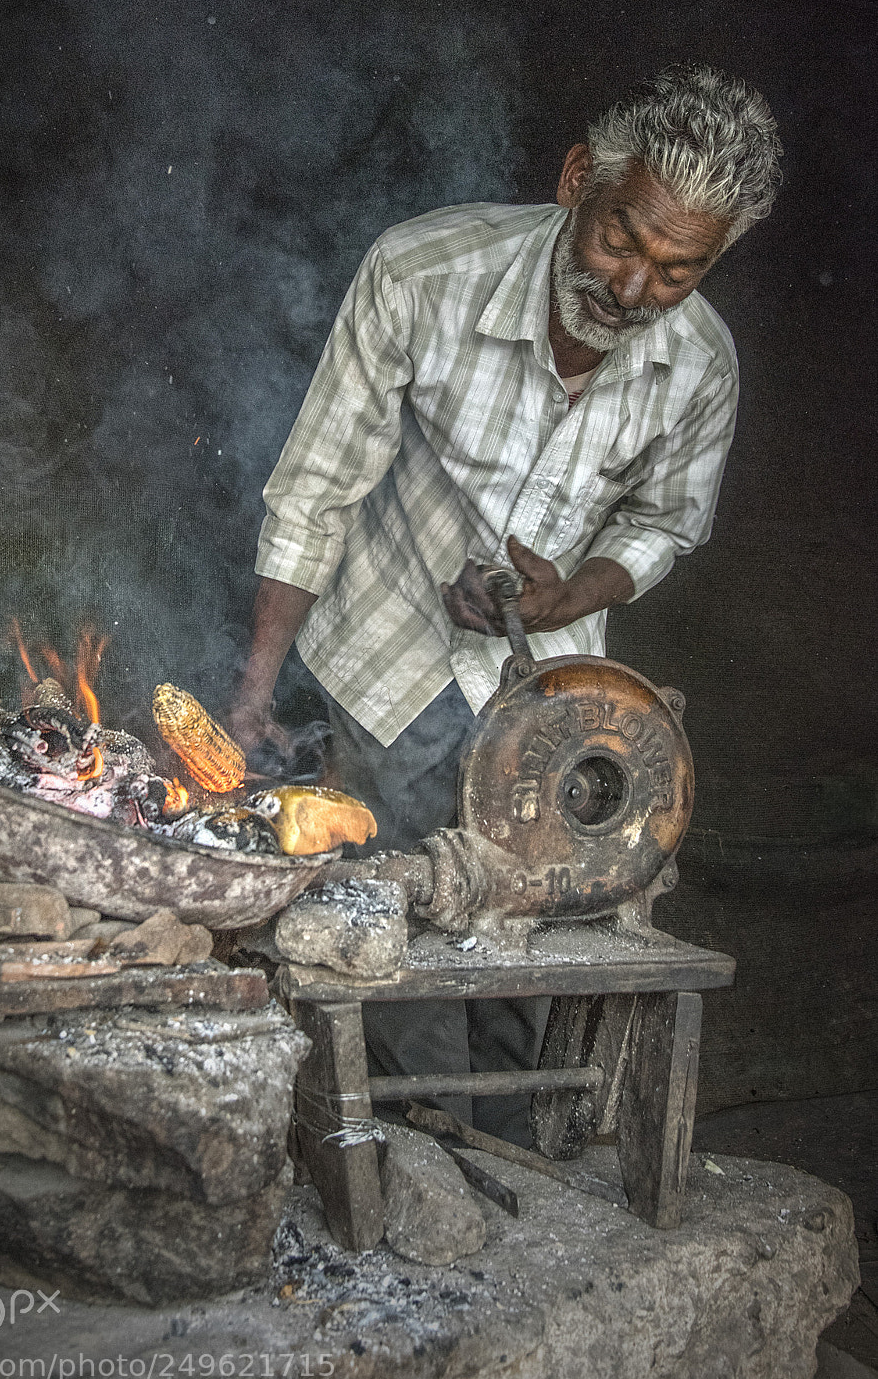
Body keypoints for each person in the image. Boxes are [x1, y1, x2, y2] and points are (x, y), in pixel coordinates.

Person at [228, 63, 782, 1138]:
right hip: (391, 664)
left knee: (520, 957)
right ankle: (419, 1165)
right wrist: (255, 688)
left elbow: (664, 523)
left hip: (548, 700)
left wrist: (574, 586)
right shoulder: (424, 271)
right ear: (580, 178)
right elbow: (316, 486)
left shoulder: (700, 363)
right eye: (622, 239)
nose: (631, 291)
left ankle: (515, 1168)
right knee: (391, 945)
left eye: (678, 269)